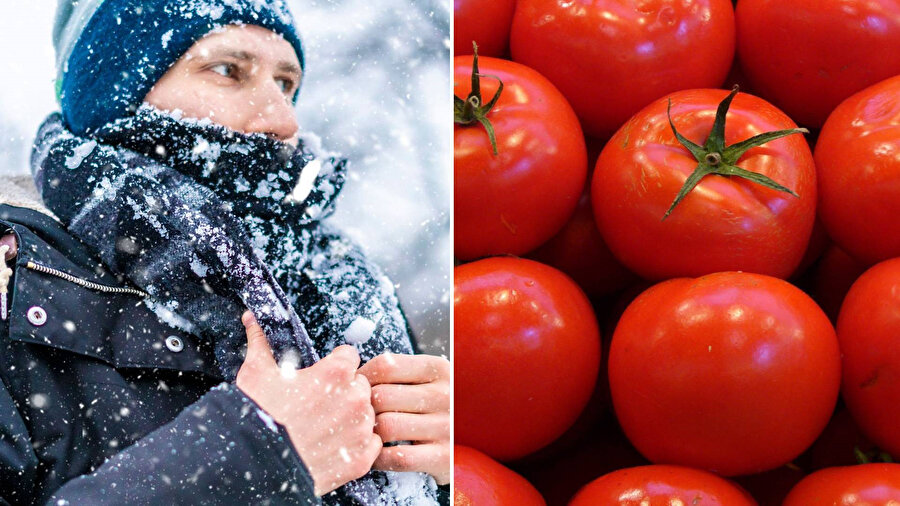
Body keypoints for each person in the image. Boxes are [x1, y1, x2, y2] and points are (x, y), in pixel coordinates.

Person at [0, 0, 450, 504]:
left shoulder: (339, 278)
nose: (283, 120)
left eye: (286, 84)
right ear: (115, 94)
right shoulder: (18, 284)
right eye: (227, 70)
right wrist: (257, 456)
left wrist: (448, 470)